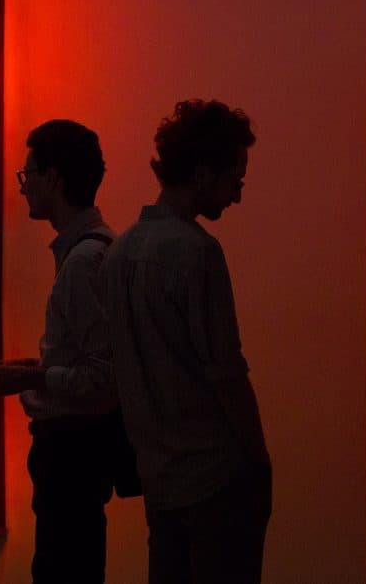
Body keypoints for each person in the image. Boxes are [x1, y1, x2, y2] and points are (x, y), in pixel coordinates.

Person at [100, 100, 271, 583]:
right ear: (201, 173)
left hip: (160, 483)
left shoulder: (118, 253)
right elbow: (227, 376)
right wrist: (260, 465)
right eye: (234, 181)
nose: (236, 197)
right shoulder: (196, 253)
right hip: (214, 481)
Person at [0, 119, 120, 584]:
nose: (23, 188)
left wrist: (34, 378)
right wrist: (35, 368)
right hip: (78, 454)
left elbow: (102, 375)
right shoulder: (93, 252)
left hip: (72, 453)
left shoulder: (81, 263)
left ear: (54, 179)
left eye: (28, 174)